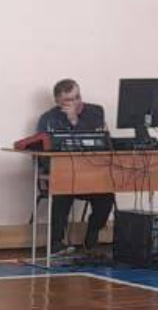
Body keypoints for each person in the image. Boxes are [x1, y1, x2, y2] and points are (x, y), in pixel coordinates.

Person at [36, 79, 116, 254]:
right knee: (62, 190)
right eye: (69, 100)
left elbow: (100, 143)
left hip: (91, 175)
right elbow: (40, 151)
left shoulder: (95, 112)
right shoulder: (48, 119)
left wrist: (74, 120)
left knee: (107, 195)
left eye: (77, 97)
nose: (75, 103)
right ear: (58, 101)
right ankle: (56, 243)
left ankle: (92, 234)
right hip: (63, 176)